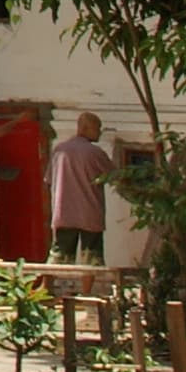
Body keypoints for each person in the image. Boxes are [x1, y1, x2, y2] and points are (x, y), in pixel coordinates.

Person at [48, 109, 115, 267]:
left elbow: (49, 179)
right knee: (91, 261)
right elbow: (115, 175)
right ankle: (86, 284)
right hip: (90, 213)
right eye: (97, 128)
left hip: (64, 213)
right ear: (84, 128)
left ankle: (50, 283)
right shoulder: (95, 153)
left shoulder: (59, 150)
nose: (99, 133)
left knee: (59, 260)